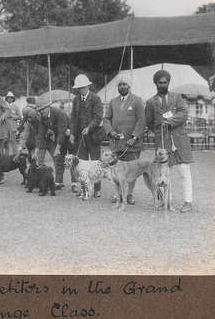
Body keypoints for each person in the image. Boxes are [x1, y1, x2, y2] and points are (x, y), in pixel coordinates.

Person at [145, 69, 194, 213]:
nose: (162, 85)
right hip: (162, 142)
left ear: (168, 83)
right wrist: (160, 133)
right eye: (160, 82)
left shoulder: (177, 98)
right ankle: (163, 201)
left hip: (180, 140)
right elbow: (149, 123)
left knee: (184, 171)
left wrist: (169, 122)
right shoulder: (150, 102)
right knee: (162, 174)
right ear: (155, 83)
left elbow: (184, 114)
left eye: (165, 82)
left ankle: (188, 202)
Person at [103, 75, 146, 204]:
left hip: (132, 144)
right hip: (116, 143)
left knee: (132, 170)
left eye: (124, 84)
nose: (122, 87)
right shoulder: (113, 102)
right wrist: (111, 132)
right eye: (120, 85)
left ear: (129, 86)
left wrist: (134, 137)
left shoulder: (137, 101)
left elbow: (141, 120)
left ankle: (130, 194)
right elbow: (106, 119)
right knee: (115, 171)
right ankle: (118, 194)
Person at [70, 74, 105, 197]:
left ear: (87, 86)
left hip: (94, 136)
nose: (80, 90)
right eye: (78, 88)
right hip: (80, 137)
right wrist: (73, 133)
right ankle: (84, 189)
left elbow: (98, 116)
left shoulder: (96, 99)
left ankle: (97, 189)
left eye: (82, 87)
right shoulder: (76, 99)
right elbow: (73, 117)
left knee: (96, 163)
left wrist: (89, 128)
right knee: (82, 165)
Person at [34, 101, 70, 190]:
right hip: (59, 137)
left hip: (70, 137)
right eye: (39, 111)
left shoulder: (59, 113)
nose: (41, 112)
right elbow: (41, 133)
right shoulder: (43, 117)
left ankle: (74, 184)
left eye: (43, 109)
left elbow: (62, 131)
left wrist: (57, 148)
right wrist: (37, 149)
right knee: (58, 159)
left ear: (48, 107)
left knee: (71, 161)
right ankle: (58, 182)